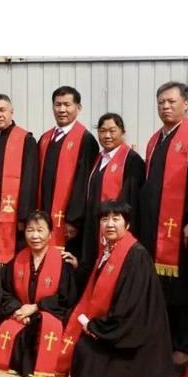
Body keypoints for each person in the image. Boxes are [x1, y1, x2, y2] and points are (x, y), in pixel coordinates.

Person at [138, 82, 188, 368]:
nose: (165, 107)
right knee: (162, 289)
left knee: (185, 289)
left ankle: (185, 346)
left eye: (171, 101)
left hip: (185, 232)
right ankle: (164, 342)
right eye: (161, 102)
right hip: (157, 231)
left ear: (186, 104)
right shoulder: (155, 140)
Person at [63, 200, 179, 377]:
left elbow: (130, 307)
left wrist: (96, 327)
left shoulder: (136, 256)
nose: (109, 224)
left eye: (116, 219)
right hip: (113, 325)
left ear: (127, 225)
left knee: (87, 357)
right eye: (104, 219)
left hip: (131, 337)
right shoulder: (109, 249)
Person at [0, 211, 77, 377]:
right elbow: (3, 291)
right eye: (30, 230)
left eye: (40, 230)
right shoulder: (16, 261)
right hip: (21, 314)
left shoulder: (62, 264)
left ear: (50, 234)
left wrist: (36, 307)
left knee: (40, 325)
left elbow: (66, 298)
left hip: (48, 315)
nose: (35, 236)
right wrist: (18, 309)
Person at [80, 113, 145, 286]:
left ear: (123, 132)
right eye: (102, 131)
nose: (107, 135)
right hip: (95, 226)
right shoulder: (98, 159)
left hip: (115, 228)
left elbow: (132, 201)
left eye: (112, 131)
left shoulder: (132, 160)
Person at [36, 86, 99, 256]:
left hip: (69, 221)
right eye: (58, 105)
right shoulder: (45, 138)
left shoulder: (86, 140)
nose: (62, 109)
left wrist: (73, 220)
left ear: (78, 108)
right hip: (45, 212)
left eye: (67, 104)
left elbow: (83, 183)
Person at [0, 94, 38, 266]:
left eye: (2, 110)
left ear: (11, 112)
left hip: (14, 214)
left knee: (13, 260)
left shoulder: (26, 140)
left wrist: (24, 216)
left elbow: (30, 180)